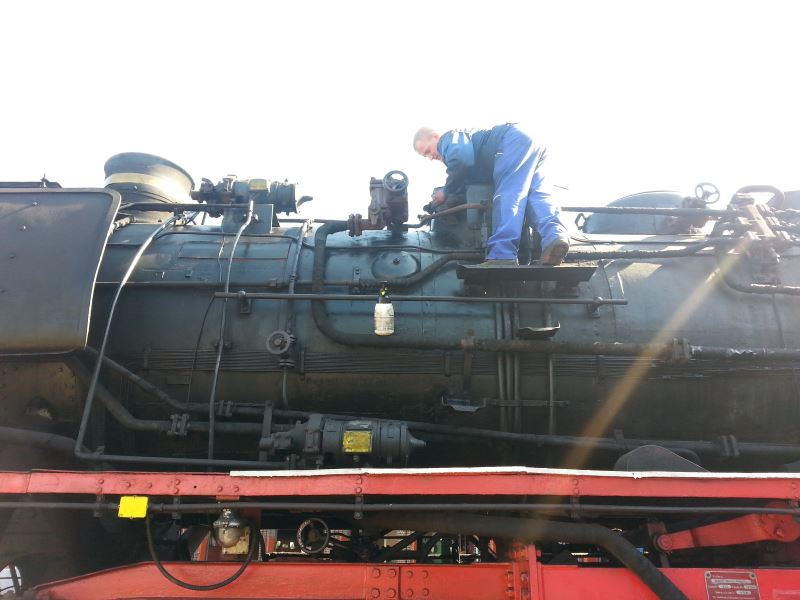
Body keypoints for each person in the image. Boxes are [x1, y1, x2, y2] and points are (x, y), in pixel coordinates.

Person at [413, 124, 570, 266]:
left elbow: (460, 160)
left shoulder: (449, 139)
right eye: (425, 156)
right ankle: (555, 238)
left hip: (510, 141)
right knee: (537, 196)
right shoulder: (465, 145)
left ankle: (503, 255)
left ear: (435, 137)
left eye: (428, 151)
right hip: (533, 142)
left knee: (508, 194)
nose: (430, 157)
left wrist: (446, 191)